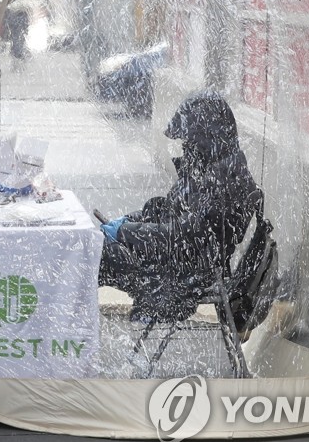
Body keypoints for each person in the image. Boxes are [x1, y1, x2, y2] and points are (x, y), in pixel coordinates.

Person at [98, 90, 260, 320]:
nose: (184, 146)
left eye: (188, 139)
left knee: (94, 254)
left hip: (185, 278)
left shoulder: (224, 179)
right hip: (180, 262)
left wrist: (126, 232)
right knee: (92, 248)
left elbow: (182, 234)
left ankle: (64, 335)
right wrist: (132, 221)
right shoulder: (211, 166)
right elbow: (169, 211)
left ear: (204, 137)